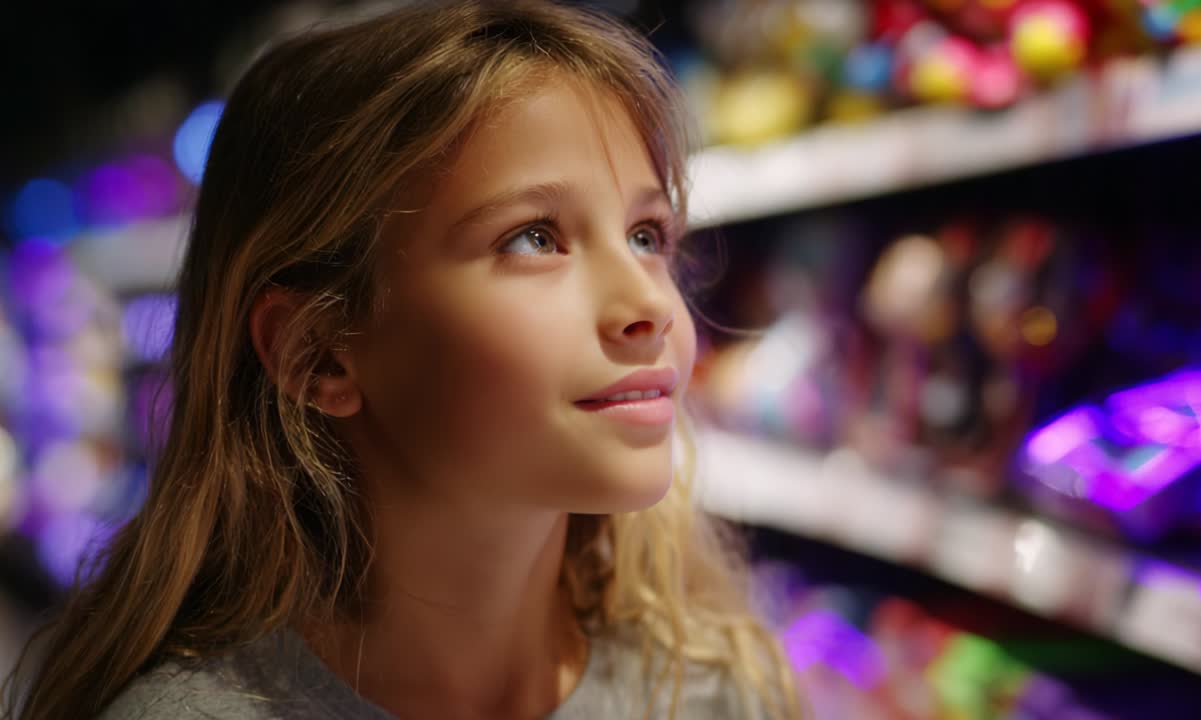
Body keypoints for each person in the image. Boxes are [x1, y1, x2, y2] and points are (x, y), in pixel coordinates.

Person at [4, 1, 801, 718]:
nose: (654, 307)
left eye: (647, 236)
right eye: (534, 237)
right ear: (315, 351)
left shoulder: (715, 690)